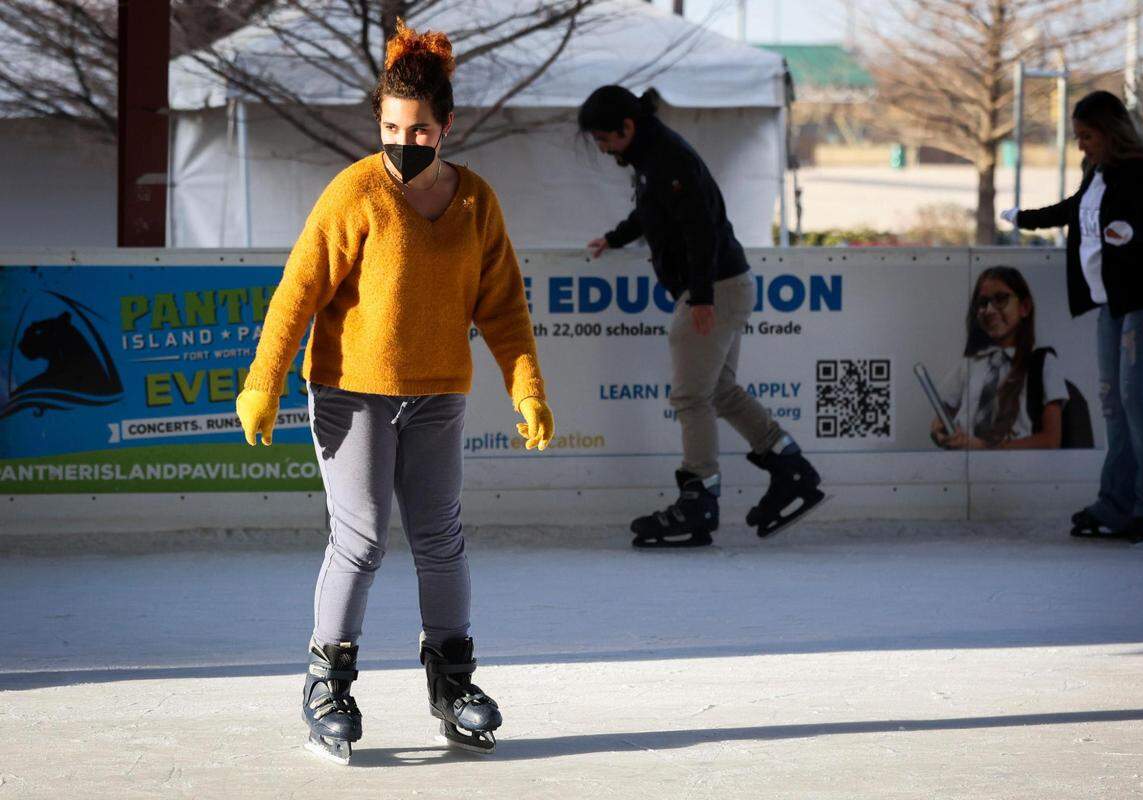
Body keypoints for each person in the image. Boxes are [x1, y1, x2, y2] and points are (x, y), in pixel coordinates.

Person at [235, 21, 555, 763]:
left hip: (438, 394)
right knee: (365, 534)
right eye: (389, 126)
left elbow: (503, 305)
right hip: (352, 392)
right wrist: (264, 382)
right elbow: (297, 294)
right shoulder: (355, 193)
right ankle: (328, 682)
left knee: (440, 536)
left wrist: (527, 388)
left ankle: (453, 681)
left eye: (417, 128)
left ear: (447, 126)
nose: (402, 139)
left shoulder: (475, 204)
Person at [580, 85, 825, 548]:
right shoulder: (654, 159)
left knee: (692, 397)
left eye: (604, 140)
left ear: (626, 128)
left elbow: (702, 228)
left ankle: (699, 498)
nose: (604, 149)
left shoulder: (669, 159)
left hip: (715, 289)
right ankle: (791, 468)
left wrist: (702, 298)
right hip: (725, 286)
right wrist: (615, 237)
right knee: (722, 392)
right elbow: (653, 214)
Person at [1003, 90, 1143, 543]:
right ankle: (1115, 503)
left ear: (1110, 132)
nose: (1081, 144)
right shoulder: (1097, 173)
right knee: (1113, 402)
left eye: (1087, 136)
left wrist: (1125, 233)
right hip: (1113, 304)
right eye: (1078, 137)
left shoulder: (1139, 171)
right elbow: (1073, 211)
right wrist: (1024, 217)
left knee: (1137, 399)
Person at [932, 267, 1070, 451]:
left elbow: (1050, 440)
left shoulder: (1042, 363)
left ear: (1024, 307)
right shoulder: (970, 364)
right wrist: (940, 433)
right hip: (964, 469)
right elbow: (940, 421)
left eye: (1001, 299)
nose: (989, 310)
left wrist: (985, 448)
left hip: (1017, 472)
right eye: (982, 303)